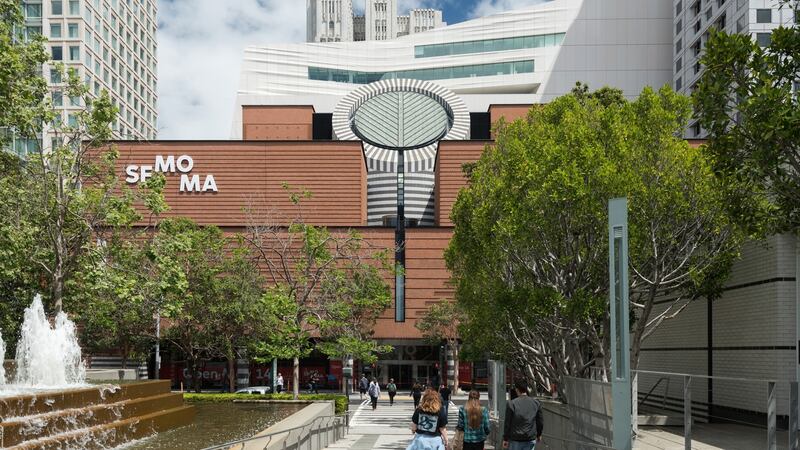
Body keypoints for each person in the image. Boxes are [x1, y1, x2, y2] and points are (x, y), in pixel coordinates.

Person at [503, 379, 543, 450]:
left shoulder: (511, 404)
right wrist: (539, 434)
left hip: (515, 439)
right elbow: (540, 421)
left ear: (517, 390)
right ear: (526, 389)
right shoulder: (536, 403)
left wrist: (505, 438)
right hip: (530, 438)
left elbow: (507, 423)